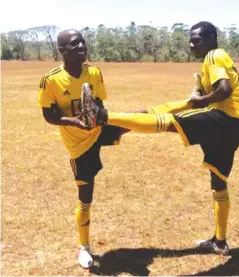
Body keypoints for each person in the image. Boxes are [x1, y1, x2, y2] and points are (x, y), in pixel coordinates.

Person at [85, 21, 239, 255]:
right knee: (218, 181)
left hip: (223, 119)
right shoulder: (214, 59)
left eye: (197, 39)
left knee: (170, 122)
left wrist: (201, 100)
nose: (191, 44)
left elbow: (224, 90)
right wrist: (199, 96)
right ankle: (220, 241)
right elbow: (215, 91)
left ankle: (104, 116)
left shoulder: (214, 55)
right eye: (190, 39)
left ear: (212, 38)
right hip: (236, 125)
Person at [38, 29, 124, 268]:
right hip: (78, 144)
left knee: (133, 120)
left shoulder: (94, 72)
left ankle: (180, 117)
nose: (82, 47)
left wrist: (99, 117)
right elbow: (49, 115)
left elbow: (100, 103)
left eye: (83, 43)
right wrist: (74, 122)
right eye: (75, 44)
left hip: (98, 130)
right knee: (85, 196)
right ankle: (84, 247)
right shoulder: (51, 79)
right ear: (62, 50)